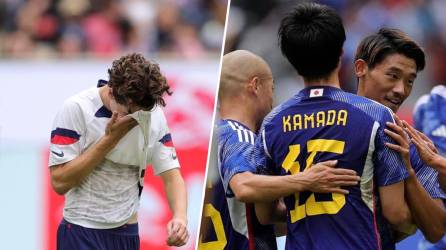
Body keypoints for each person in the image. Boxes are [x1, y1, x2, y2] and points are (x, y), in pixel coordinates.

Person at [254, 3, 413, 249]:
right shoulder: (376, 116)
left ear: (292, 60)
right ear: (341, 53)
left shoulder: (271, 125)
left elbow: (264, 214)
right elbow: (396, 214)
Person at [198, 50, 360, 250]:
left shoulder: (211, 137)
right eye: (271, 88)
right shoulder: (238, 135)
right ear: (255, 85)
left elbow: (257, 222)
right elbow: (243, 186)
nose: (272, 99)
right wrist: (307, 179)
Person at [48, 53, 188, 249]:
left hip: (126, 234)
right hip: (81, 231)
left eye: (141, 111)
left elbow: (172, 175)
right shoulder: (77, 109)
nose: (135, 117)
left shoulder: (153, 115)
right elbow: (59, 182)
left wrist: (180, 217)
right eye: (128, 112)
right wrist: (109, 140)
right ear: (112, 91)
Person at [354, 28, 446, 245]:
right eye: (393, 76)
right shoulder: (329, 124)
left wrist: (408, 172)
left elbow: (436, 230)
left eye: (410, 81)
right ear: (361, 68)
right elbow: (399, 216)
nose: (401, 90)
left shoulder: (412, 145)